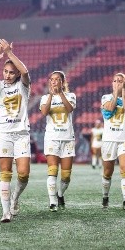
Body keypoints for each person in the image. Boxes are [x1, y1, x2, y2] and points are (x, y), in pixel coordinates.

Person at [0, 39, 31, 223]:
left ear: (17, 73)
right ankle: (5, 212)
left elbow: (26, 72)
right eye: (5, 71)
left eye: (12, 72)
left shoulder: (24, 86)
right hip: (3, 133)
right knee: (5, 172)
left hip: (21, 134)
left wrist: (10, 53)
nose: (8, 75)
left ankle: (15, 198)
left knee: (24, 173)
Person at [39, 70, 76, 212]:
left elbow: (69, 108)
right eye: (52, 79)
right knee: (52, 170)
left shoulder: (70, 96)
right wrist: (51, 95)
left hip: (67, 138)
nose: (54, 81)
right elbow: (44, 112)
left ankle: (60, 194)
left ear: (62, 82)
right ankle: (52, 201)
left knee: (66, 176)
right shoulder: (45, 98)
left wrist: (60, 93)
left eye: (57, 79)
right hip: (52, 138)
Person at [100, 72, 125, 211]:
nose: (117, 83)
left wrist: (123, 91)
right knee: (108, 172)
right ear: (112, 83)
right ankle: (105, 196)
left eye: (120, 81)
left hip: (124, 139)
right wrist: (115, 94)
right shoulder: (105, 98)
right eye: (115, 81)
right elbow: (110, 108)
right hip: (109, 140)